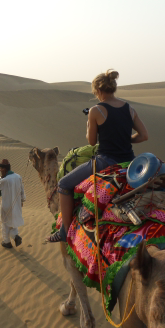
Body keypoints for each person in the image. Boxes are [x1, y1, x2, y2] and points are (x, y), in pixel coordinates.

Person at [47, 69, 149, 242]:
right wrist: (124, 139)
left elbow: (92, 142)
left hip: (106, 161)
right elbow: (143, 136)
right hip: (129, 162)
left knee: (63, 184)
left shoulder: (96, 111)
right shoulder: (129, 109)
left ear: (98, 91)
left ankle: (64, 232)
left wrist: (89, 124)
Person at [0, 159, 26, 248]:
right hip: (16, 205)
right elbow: (22, 189)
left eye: (1, 168)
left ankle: (7, 241)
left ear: (5, 169)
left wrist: (0, 178)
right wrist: (22, 200)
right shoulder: (18, 176)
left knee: (5, 223)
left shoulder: (5, 179)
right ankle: (16, 236)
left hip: (6, 205)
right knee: (12, 222)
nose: (0, 170)